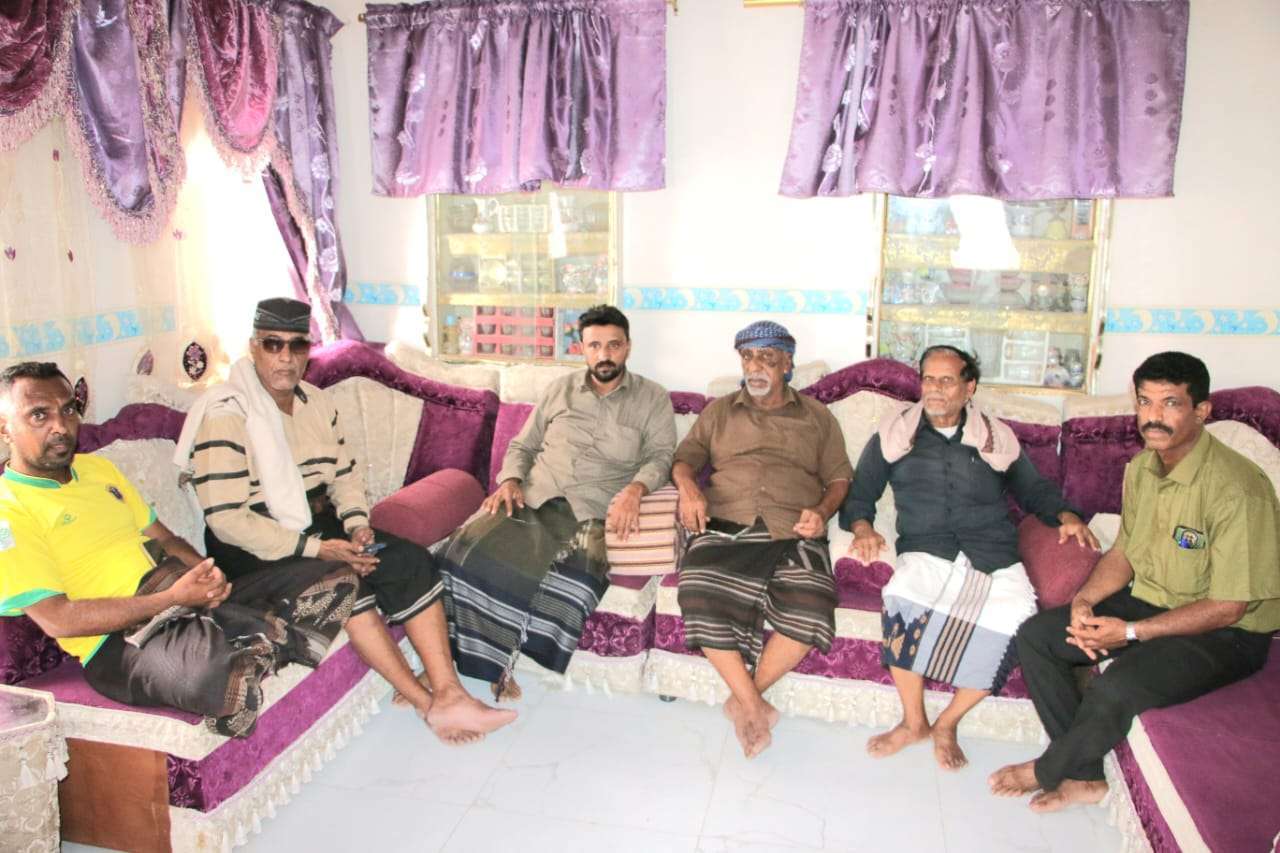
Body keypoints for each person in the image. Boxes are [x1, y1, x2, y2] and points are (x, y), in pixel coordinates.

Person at [177, 298, 514, 744]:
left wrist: (356, 525)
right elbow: (226, 520)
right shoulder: (226, 414)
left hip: (319, 527)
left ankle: (450, 692)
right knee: (343, 580)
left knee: (409, 561)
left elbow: (343, 476)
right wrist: (318, 549)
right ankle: (426, 704)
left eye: (297, 345)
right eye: (273, 344)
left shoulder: (316, 402)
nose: (285, 357)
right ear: (254, 347)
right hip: (252, 546)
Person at [0, 362, 359, 736]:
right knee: (212, 679)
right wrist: (169, 599)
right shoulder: (8, 511)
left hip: (180, 596)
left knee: (336, 576)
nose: (60, 426)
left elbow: (166, 539)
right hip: (118, 644)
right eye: (39, 415)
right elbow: (59, 619)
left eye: (68, 410)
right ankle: (253, 637)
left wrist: (206, 573)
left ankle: (244, 638)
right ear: (5, 428)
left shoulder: (98, 470)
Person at [990, 351, 1280, 810]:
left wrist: (1127, 632)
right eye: (1145, 402)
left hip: (1228, 632)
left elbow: (1230, 606)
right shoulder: (1143, 468)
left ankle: (1048, 769)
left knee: (1117, 685)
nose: (1153, 416)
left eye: (1171, 403)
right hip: (1153, 599)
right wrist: (1085, 601)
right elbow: (1124, 553)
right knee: (1039, 637)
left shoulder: (1238, 490)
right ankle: (1086, 777)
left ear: (1201, 411)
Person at [841, 345, 1096, 770]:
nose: (934, 389)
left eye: (946, 380)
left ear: (969, 387)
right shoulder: (895, 434)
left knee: (1018, 619)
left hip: (991, 552)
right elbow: (861, 493)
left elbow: (1034, 491)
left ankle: (947, 723)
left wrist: (1067, 516)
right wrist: (863, 528)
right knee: (901, 598)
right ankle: (913, 722)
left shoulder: (996, 437)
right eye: (928, 379)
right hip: (926, 550)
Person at [439, 304, 676, 701]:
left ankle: (502, 661)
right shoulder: (559, 389)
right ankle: (454, 663)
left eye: (614, 345)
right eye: (594, 346)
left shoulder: (652, 398)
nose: (604, 355)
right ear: (581, 349)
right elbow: (524, 445)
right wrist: (510, 480)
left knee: (575, 584)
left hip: (591, 511)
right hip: (534, 496)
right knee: (457, 554)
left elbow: (661, 456)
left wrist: (636, 489)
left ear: (628, 347)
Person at [671, 320, 852, 758]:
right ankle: (754, 707)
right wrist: (688, 487)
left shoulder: (817, 417)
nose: (756, 366)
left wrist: (822, 512)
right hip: (726, 522)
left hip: (793, 527)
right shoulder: (719, 412)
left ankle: (743, 699)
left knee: (813, 601)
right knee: (696, 587)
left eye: (767, 358)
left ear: (787, 364)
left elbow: (840, 477)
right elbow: (684, 459)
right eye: (748, 357)